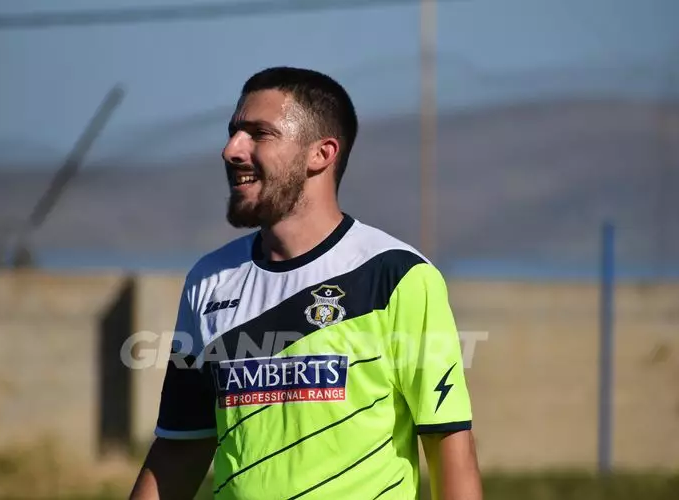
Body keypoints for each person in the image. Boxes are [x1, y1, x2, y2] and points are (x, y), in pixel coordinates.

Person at [129, 66, 482, 500]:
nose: (231, 149)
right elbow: (179, 450)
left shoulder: (396, 275)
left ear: (321, 154)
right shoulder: (209, 280)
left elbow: (450, 446)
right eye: (233, 132)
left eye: (259, 133)